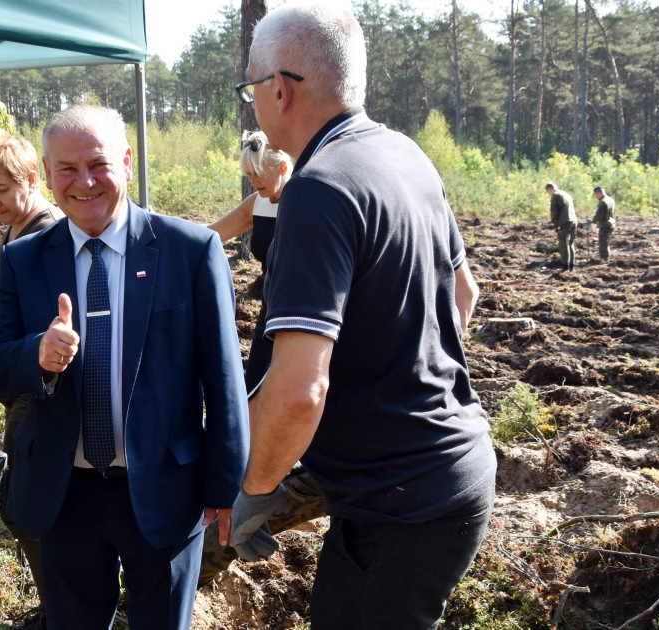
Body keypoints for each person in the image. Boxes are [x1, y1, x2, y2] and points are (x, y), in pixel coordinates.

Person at [230, 3, 496, 629]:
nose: (252, 106)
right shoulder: (404, 153)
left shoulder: (317, 189)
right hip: (442, 474)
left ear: (282, 90)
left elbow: (299, 392)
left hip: (401, 503)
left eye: (252, 88)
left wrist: (255, 488)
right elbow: (465, 294)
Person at [0, 104, 249, 630]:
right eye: (67, 168)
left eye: (98, 164)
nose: (84, 181)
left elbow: (223, 379)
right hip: (65, 493)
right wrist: (38, 353)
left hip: (165, 489)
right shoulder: (23, 259)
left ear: (126, 162)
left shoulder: (190, 251)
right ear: (48, 171)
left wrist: (225, 486)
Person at [199, 130, 326, 587]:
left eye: (259, 175)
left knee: (291, 402)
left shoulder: (310, 202)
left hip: (307, 317)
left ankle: (272, 493)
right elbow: (210, 236)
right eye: (248, 177)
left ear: (284, 165)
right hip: (272, 317)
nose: (254, 184)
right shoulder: (261, 204)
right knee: (254, 406)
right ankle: (249, 494)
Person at [0, 131, 62, 627]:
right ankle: (59, 606)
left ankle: (62, 610)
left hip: (38, 393)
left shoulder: (47, 232)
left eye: (1, 189)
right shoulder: (16, 230)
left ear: (31, 179)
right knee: (27, 509)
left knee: (26, 509)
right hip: (17, 386)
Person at [207, 130, 291, 262]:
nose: (253, 182)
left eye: (259, 172)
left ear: (283, 168)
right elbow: (211, 233)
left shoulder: (302, 202)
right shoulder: (256, 204)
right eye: (249, 174)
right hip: (266, 283)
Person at [546, 182, 577, 272]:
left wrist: (556, 225)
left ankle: (565, 266)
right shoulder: (566, 194)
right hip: (573, 220)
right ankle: (572, 266)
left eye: (548, 191)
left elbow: (554, 212)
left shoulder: (555, 195)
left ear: (549, 189)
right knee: (571, 243)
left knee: (563, 243)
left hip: (564, 222)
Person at [593, 185, 615, 262]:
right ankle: (606, 258)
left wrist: (593, 220)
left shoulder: (602, 202)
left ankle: (604, 259)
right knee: (606, 241)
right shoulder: (610, 199)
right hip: (611, 223)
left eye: (596, 194)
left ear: (598, 193)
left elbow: (600, 215)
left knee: (603, 243)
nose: (596, 196)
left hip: (605, 224)